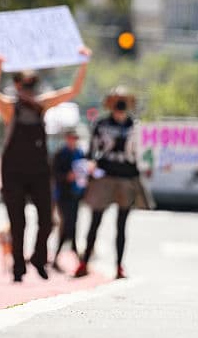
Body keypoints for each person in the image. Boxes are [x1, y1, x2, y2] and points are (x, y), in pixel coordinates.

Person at [0, 48, 90, 282]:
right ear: (18, 86)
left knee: (47, 220)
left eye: (32, 85)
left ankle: (38, 257)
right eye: (25, 85)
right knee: (17, 221)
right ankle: (18, 267)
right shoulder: (10, 107)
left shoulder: (42, 105)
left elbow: (72, 91)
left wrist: (83, 63)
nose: (29, 90)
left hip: (39, 170)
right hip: (13, 171)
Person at [75, 86, 141, 281]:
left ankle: (119, 265)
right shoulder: (102, 125)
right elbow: (91, 152)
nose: (120, 107)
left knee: (121, 225)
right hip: (105, 177)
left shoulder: (135, 126)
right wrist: (91, 167)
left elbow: (142, 153)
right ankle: (84, 262)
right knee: (95, 221)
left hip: (127, 177)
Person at [51, 128, 87, 271]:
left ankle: (73, 252)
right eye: (71, 138)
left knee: (73, 224)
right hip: (63, 194)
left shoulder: (80, 153)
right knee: (67, 224)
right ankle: (64, 254)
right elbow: (54, 173)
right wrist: (67, 176)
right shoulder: (60, 154)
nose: (73, 141)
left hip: (76, 193)